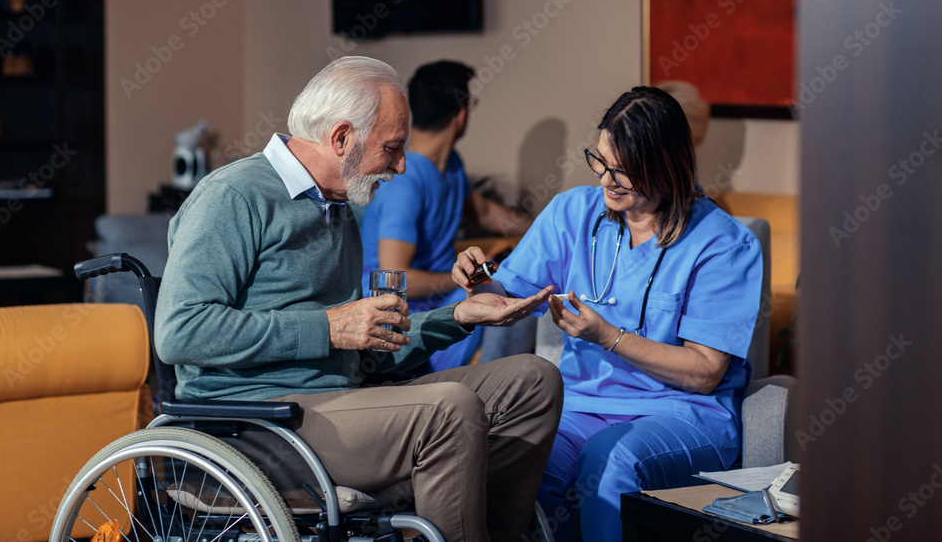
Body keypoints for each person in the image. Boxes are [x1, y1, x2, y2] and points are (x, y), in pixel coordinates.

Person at [155, 56, 563, 542]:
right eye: (392, 148)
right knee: (449, 407)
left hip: (342, 402)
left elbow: (368, 354)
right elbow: (180, 332)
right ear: (342, 137)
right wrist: (329, 327)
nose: (402, 165)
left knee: (533, 381)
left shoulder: (339, 208)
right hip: (259, 425)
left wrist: (457, 316)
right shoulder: (233, 195)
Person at [452, 86, 763, 542]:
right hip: (580, 405)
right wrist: (481, 281)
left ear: (667, 166)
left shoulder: (724, 244)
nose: (606, 180)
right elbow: (510, 292)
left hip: (680, 412)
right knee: (519, 455)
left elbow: (705, 373)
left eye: (625, 171)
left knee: (609, 459)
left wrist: (609, 337)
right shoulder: (571, 213)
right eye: (599, 161)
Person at [359, 60, 531, 371]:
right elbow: (398, 279)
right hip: (403, 316)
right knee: (505, 296)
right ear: (462, 111)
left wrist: (544, 228)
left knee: (508, 287)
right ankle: (495, 397)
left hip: (440, 298)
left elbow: (484, 212)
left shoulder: (451, 163)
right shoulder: (405, 182)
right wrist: (462, 280)